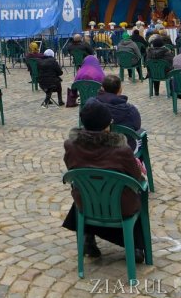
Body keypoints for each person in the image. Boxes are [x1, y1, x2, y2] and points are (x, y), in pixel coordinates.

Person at [62, 100, 147, 263]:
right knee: (137, 193)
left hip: (86, 204)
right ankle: (136, 245)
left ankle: (88, 237)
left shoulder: (71, 146)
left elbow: (72, 169)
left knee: (87, 189)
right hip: (120, 207)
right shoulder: (121, 150)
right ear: (107, 125)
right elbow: (136, 177)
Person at [92, 74, 141, 139]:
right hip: (124, 143)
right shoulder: (130, 110)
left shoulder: (91, 105)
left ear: (102, 88)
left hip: (99, 141)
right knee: (141, 132)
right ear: (120, 90)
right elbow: (137, 126)